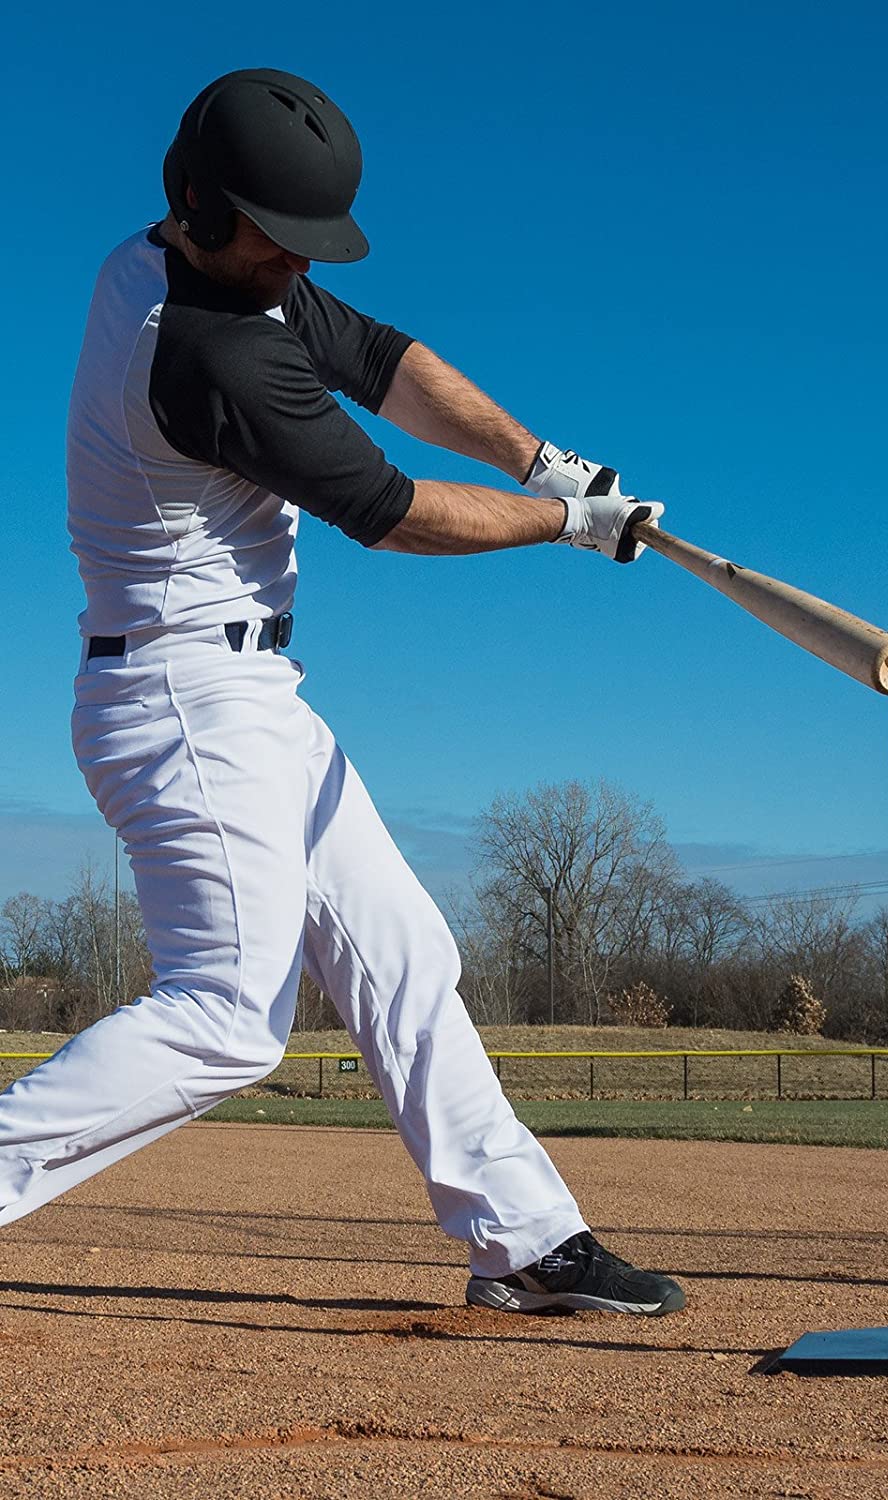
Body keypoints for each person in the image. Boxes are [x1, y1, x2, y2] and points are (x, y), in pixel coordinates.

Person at [0, 68, 684, 1318]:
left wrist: (545, 459)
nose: (295, 265)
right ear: (199, 205)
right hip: (182, 702)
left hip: (246, 696)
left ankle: (522, 1239)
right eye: (278, 236)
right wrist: (563, 524)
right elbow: (394, 513)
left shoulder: (196, 263)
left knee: (409, 953)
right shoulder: (202, 354)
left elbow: (382, 358)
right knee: (228, 1018)